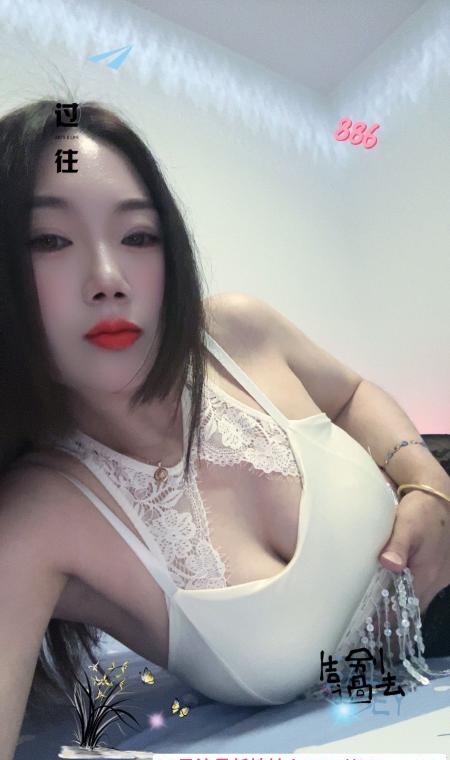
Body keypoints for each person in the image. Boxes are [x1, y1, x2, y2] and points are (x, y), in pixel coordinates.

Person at [1, 97, 449, 759]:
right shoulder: (38, 520)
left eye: (139, 235)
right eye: (49, 241)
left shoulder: (237, 331)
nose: (108, 279)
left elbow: (353, 393)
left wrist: (426, 481)